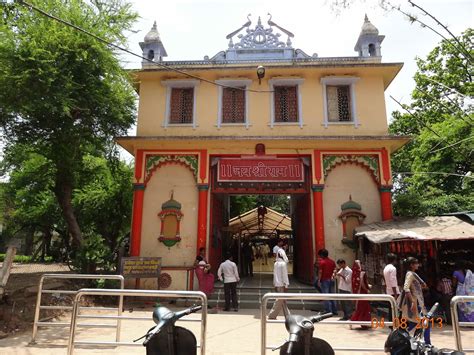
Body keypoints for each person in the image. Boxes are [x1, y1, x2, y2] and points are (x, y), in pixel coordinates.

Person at [399, 257, 431, 344]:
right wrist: (413, 302)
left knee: (417, 322)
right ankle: (427, 343)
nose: (418, 265)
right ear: (411, 265)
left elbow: (415, 287)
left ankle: (404, 337)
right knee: (425, 322)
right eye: (416, 263)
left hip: (417, 302)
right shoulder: (410, 274)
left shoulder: (412, 274)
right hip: (415, 303)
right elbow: (406, 288)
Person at [268, 241, 290, 319]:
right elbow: (284, 276)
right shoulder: (283, 264)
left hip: (277, 284)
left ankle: (288, 316)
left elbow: (275, 275)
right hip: (281, 285)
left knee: (282, 301)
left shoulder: (276, 263)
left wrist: (274, 284)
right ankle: (272, 315)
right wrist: (286, 285)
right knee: (279, 301)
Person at [349, 260, 371, 329]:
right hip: (363, 292)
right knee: (364, 308)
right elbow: (362, 283)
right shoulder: (362, 273)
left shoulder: (354, 273)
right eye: (361, 263)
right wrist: (367, 289)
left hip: (357, 293)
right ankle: (363, 323)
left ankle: (361, 322)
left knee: (359, 308)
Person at [317, 248, 337, 315]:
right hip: (332, 280)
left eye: (320, 255)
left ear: (322, 255)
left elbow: (320, 272)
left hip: (324, 280)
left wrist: (319, 280)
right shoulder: (332, 262)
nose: (319, 257)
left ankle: (328, 310)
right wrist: (333, 276)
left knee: (326, 295)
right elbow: (335, 270)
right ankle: (334, 310)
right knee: (332, 295)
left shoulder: (322, 262)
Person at [383, 253, 400, 324]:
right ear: (394, 260)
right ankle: (395, 324)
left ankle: (391, 324)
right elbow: (393, 281)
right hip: (393, 292)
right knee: (396, 309)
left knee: (391, 309)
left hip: (388, 291)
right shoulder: (393, 268)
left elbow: (384, 281)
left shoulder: (385, 268)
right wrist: (395, 294)